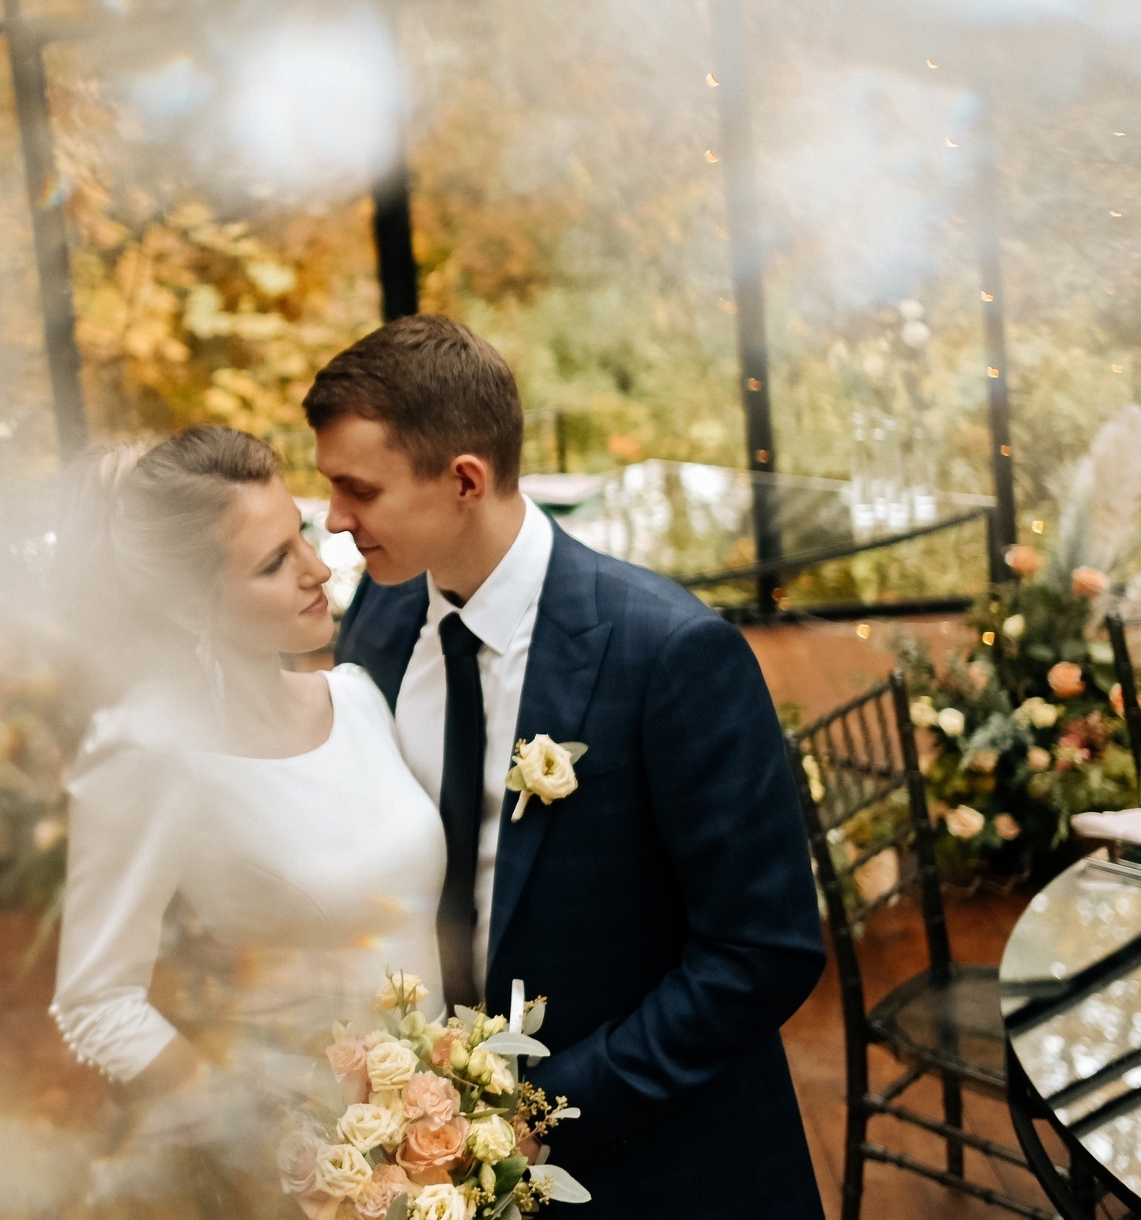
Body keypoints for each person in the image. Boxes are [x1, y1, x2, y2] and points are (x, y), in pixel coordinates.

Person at [311, 314, 826, 1220]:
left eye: (359, 489)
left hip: (662, 1168)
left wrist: (533, 1111)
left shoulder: (669, 651)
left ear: (464, 479)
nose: (334, 518)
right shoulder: (379, 622)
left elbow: (763, 951)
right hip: (433, 1171)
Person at [50, 426, 447, 1117]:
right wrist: (260, 1131)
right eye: (273, 563)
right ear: (187, 605)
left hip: (447, 1132)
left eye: (302, 535)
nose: (317, 569)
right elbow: (95, 1002)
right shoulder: (146, 749)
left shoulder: (358, 698)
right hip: (311, 1151)